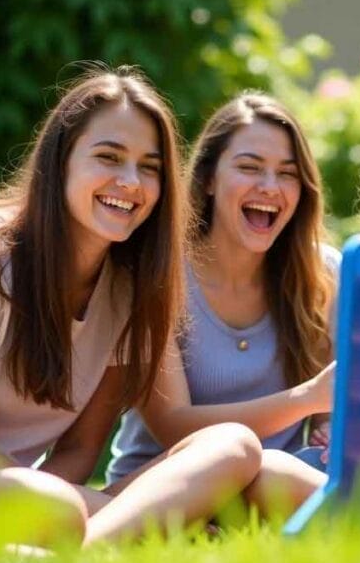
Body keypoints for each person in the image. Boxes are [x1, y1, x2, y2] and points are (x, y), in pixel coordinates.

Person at [0, 67, 267, 546]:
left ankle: (93, 544)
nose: (131, 181)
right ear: (60, 161)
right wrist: (104, 505)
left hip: (51, 499)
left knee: (234, 444)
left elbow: (83, 449)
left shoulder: (130, 287)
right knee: (49, 498)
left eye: (150, 167)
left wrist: (74, 504)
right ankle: (137, 531)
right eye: (109, 157)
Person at [106, 92, 334, 511]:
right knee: (270, 471)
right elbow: (172, 425)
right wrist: (308, 400)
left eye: (287, 174)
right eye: (249, 167)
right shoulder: (157, 276)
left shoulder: (324, 278)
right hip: (164, 486)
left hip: (276, 482)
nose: (269, 187)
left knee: (279, 472)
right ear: (209, 179)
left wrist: (329, 423)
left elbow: (338, 408)